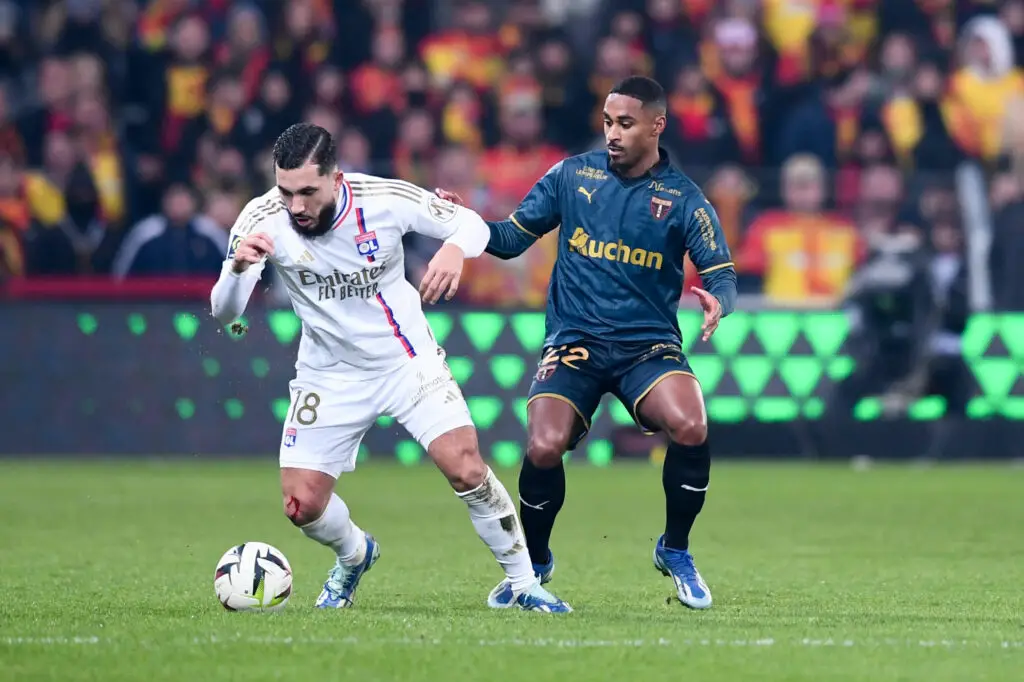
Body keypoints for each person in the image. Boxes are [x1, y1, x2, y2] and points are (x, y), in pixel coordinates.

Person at [210, 123, 570, 613]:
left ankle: (525, 584)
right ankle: (355, 554)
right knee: (301, 506)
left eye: (308, 192)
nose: (296, 206)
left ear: (336, 179)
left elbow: (471, 225)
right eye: (286, 191)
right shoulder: (262, 217)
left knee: (464, 465)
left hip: (405, 360)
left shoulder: (383, 198)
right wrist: (236, 270)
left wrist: (452, 248)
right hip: (328, 373)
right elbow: (225, 312)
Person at [436, 76, 737, 609]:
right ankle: (535, 563)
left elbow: (722, 273)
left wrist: (719, 300)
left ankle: (675, 549)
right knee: (543, 446)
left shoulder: (684, 199)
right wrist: (465, 223)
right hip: (575, 341)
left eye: (625, 124)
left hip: (647, 345)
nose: (612, 134)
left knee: (691, 424)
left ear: (656, 126)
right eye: (607, 122)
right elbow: (510, 238)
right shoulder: (571, 175)